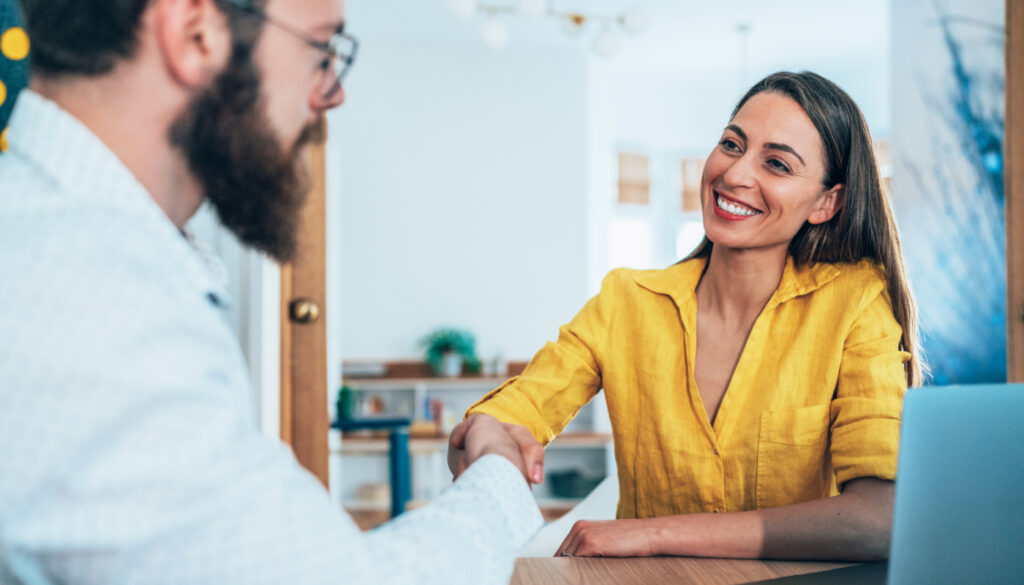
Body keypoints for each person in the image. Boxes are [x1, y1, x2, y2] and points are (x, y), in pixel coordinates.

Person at [0, 0, 545, 583]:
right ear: (195, 34)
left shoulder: (67, 241)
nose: (332, 94)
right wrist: (498, 472)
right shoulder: (84, 295)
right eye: (321, 50)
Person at [450, 71, 923, 561]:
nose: (736, 174)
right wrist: (488, 437)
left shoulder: (854, 304)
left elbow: (876, 521)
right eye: (731, 144)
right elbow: (511, 417)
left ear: (828, 202)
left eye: (777, 164)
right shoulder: (626, 301)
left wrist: (655, 534)